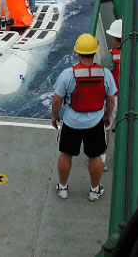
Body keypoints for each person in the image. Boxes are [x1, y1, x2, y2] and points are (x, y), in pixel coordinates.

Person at [51, 33, 116, 201]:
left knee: (66, 154)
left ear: (77, 53)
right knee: (95, 156)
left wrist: (54, 116)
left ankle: (63, 188)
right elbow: (110, 98)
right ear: (95, 52)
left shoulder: (68, 74)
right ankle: (94, 190)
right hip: (95, 123)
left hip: (72, 122)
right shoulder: (105, 74)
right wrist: (108, 116)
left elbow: (57, 99)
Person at [100, 19, 122, 171]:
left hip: (113, 98)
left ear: (114, 39)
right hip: (131, 97)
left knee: (105, 128)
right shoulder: (137, 55)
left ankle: (102, 160)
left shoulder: (108, 58)